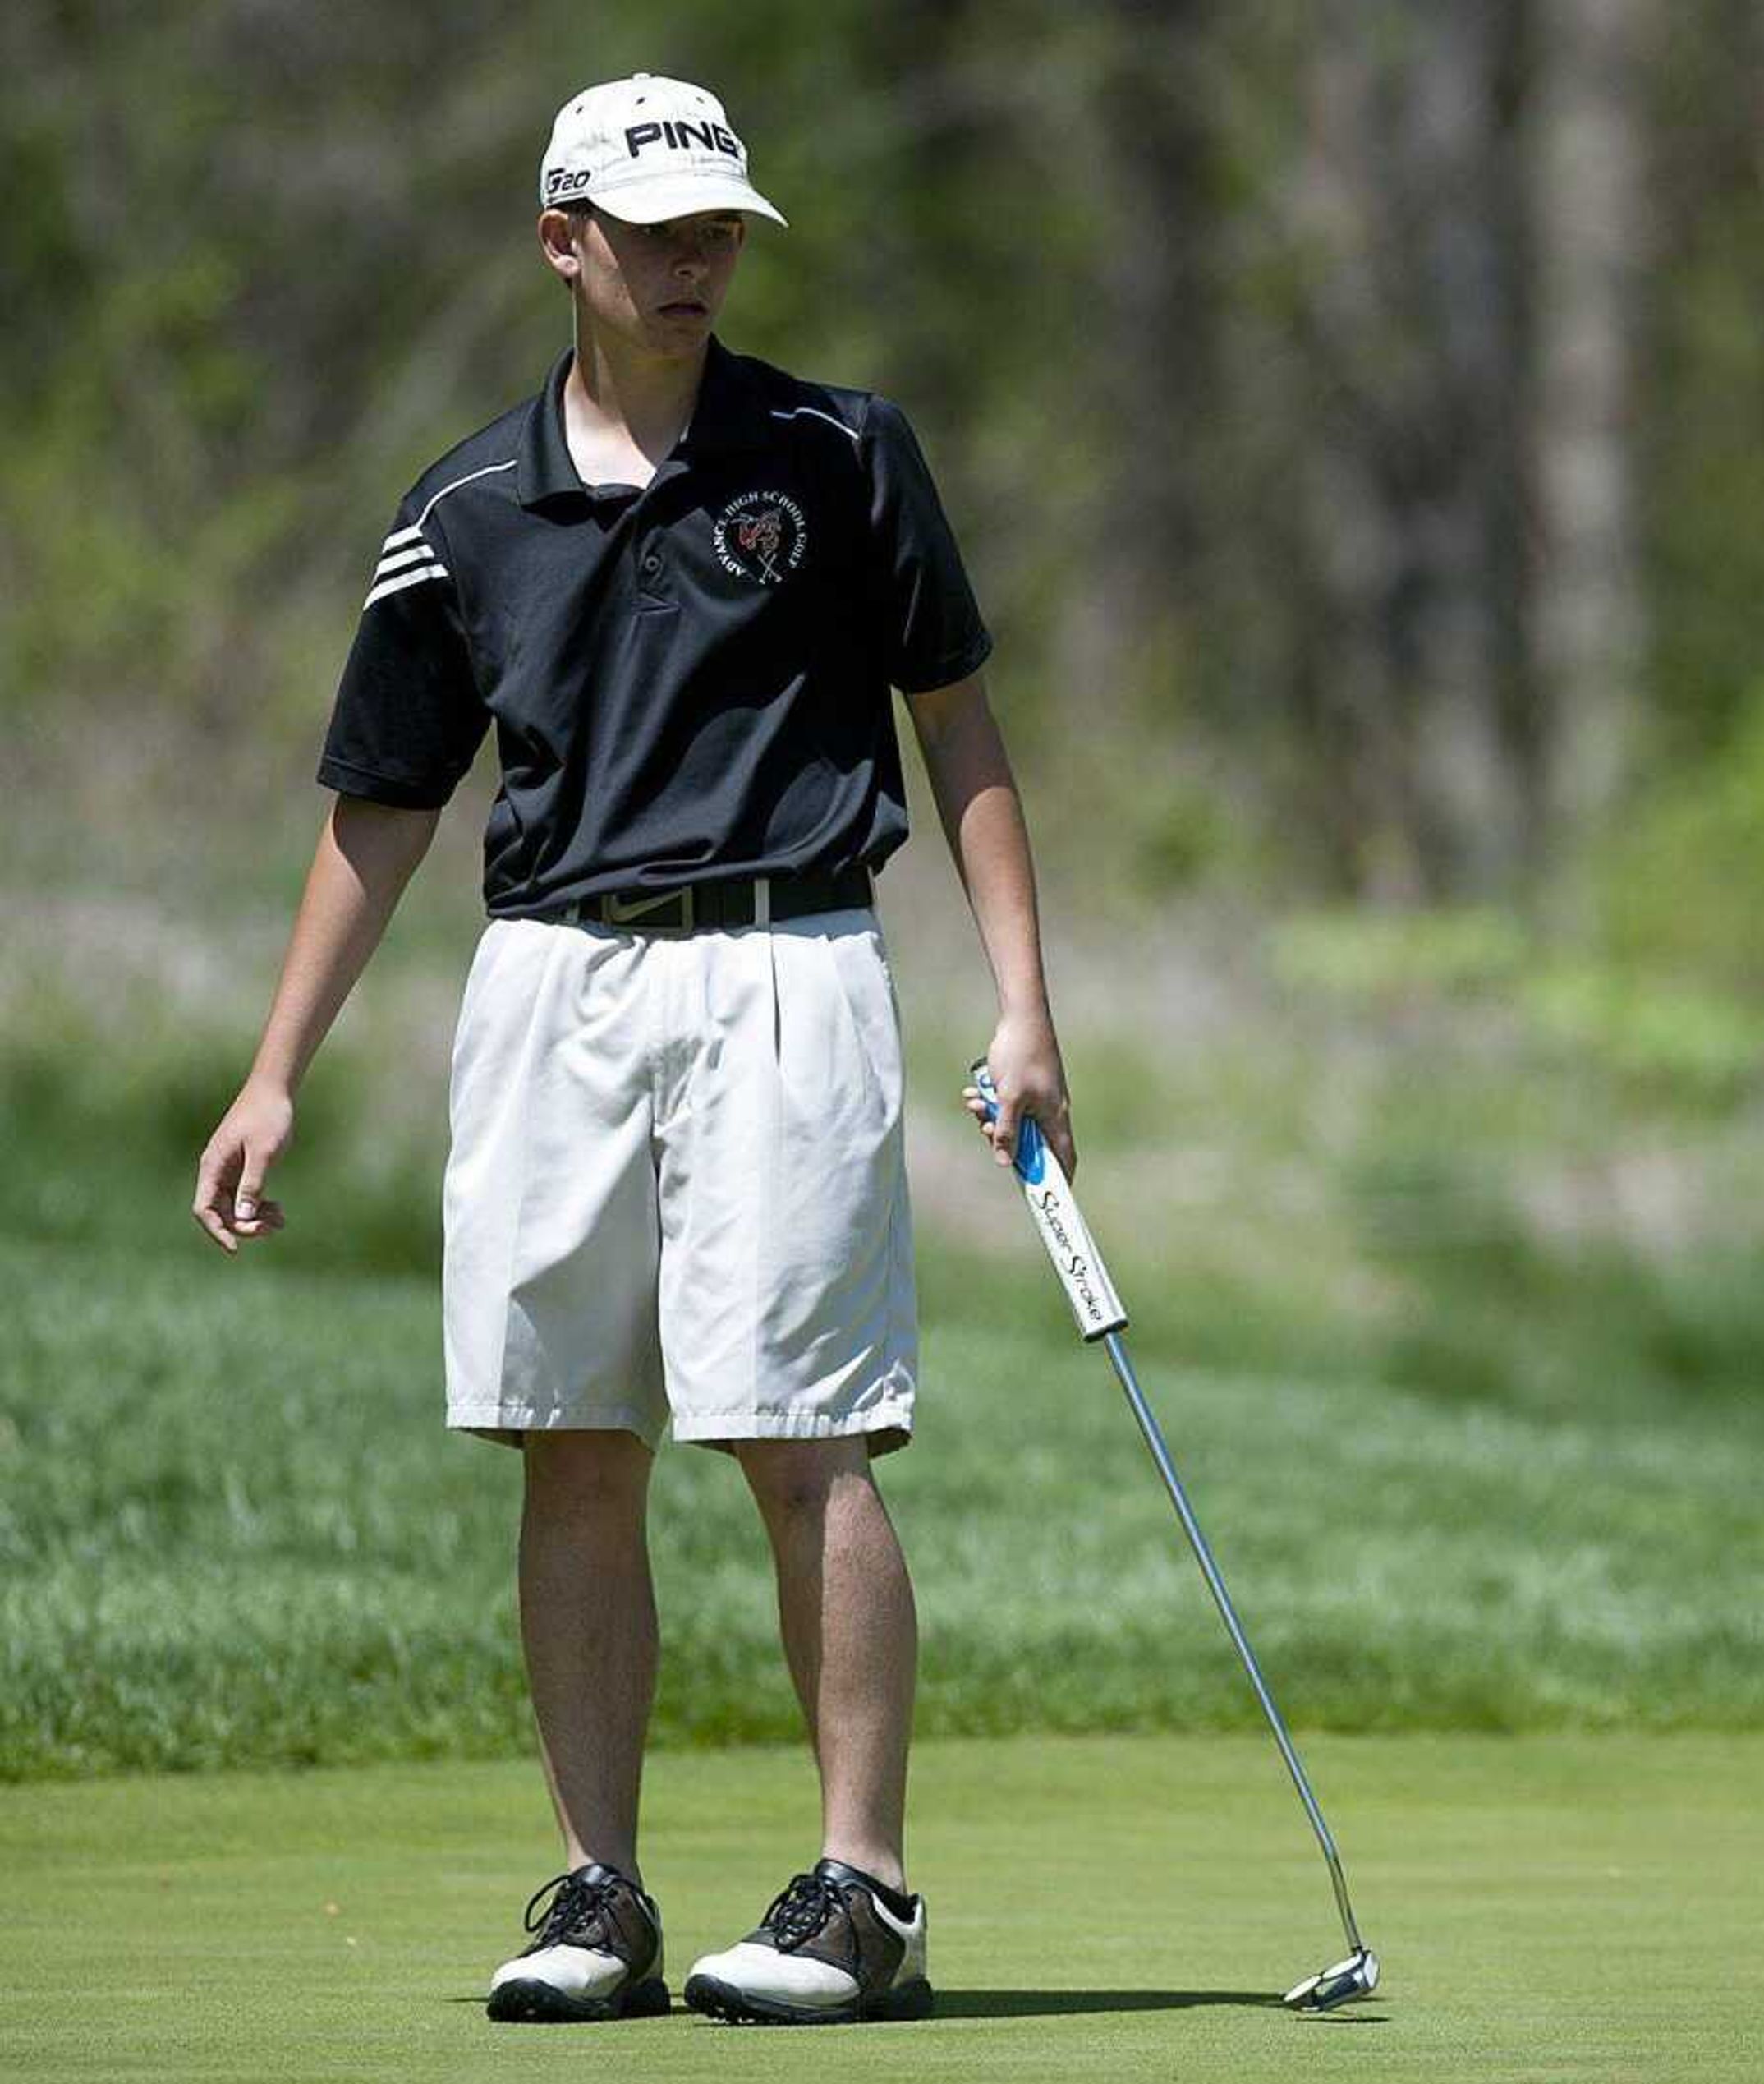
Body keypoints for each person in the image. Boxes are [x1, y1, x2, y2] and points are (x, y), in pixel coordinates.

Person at [187, 74, 1071, 2027]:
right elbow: (385, 803)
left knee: (793, 1433)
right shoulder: (460, 513)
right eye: (657, 232)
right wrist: (276, 1070)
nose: (696, 264)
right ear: (561, 239)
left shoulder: (841, 451)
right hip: (551, 989)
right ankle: (599, 1893)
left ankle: (869, 1893)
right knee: (570, 1441)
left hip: (787, 967)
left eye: (720, 232)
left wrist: (1024, 1005)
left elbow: (962, 727)